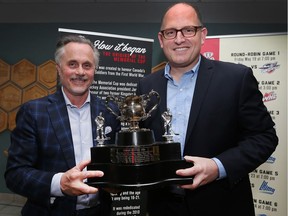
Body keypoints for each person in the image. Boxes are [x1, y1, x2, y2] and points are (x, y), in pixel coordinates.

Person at [136, 2, 278, 216]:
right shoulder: (146, 85)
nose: (179, 39)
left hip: (221, 204)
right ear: (161, 39)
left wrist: (217, 167)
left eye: (188, 30)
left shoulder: (236, 79)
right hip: (161, 207)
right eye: (171, 32)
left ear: (203, 35)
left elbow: (265, 137)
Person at [5, 34, 120, 216]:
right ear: (58, 69)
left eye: (87, 65)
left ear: (94, 70)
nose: (80, 72)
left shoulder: (111, 111)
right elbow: (15, 175)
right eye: (72, 64)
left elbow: (115, 162)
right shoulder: (34, 112)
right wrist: (60, 184)